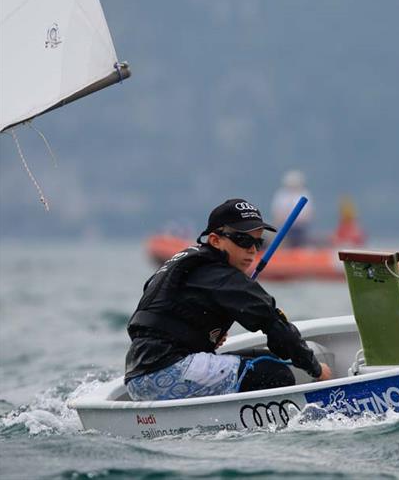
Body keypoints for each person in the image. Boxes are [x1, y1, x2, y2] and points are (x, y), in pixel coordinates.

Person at [124, 198, 331, 401]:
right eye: (243, 240)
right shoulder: (221, 275)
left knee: (264, 357)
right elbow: (275, 325)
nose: (251, 249)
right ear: (215, 240)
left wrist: (202, 334)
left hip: (138, 376)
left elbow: (157, 318)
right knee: (274, 373)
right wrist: (315, 369)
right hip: (166, 372)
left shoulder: (189, 261)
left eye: (258, 242)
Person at [270, 170, 313, 247]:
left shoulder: (304, 194)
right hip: (284, 227)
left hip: (300, 228)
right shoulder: (281, 194)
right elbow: (277, 213)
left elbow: (307, 213)